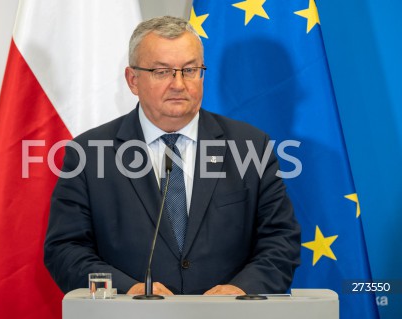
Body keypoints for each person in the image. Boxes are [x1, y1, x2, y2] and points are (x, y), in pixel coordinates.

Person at [44, 16, 300, 296]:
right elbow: (65, 250)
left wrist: (240, 290)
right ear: (133, 80)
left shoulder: (250, 145)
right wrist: (126, 291)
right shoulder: (88, 153)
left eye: (190, 70)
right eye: (162, 71)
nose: (178, 84)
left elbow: (281, 240)